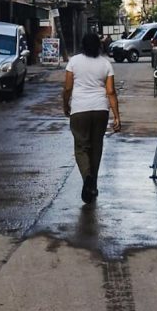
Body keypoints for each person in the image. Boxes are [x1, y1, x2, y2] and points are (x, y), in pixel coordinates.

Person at [63, 32, 121, 204]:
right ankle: (93, 185)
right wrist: (117, 116)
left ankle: (87, 176)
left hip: (79, 109)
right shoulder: (105, 63)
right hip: (101, 110)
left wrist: (65, 105)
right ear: (98, 45)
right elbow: (110, 91)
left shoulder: (73, 61)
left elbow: (67, 88)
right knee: (96, 147)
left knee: (81, 147)